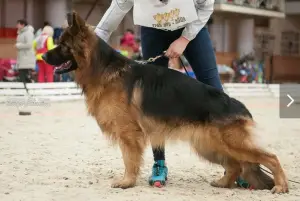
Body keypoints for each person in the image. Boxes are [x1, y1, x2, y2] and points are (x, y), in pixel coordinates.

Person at [95, 0, 248, 188]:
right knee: (152, 99)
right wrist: (92, 44)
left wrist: (184, 39)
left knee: (214, 89)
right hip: (152, 30)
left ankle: (234, 164)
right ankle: (159, 163)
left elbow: (206, 6)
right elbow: (111, 18)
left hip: (192, 25)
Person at [15, 19, 36, 83]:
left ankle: (27, 91)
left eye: (18, 24)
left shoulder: (28, 33)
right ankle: (27, 90)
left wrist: (18, 45)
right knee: (23, 78)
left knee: (23, 78)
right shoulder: (20, 33)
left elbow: (29, 44)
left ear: (23, 25)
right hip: (22, 58)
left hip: (26, 58)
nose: (16, 26)